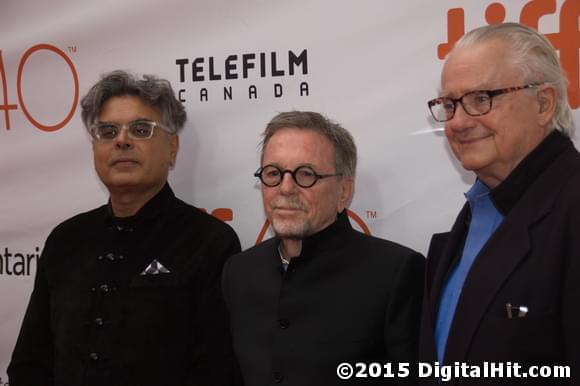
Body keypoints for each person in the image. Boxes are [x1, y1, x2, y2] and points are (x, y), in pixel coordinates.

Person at [8, 70, 241, 386]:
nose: (121, 140)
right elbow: (29, 363)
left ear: (172, 148)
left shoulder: (209, 242)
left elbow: (215, 372)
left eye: (141, 129)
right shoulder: (65, 240)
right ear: (94, 147)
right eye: (107, 131)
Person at [421, 22, 580, 385]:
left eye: (481, 99)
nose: (458, 122)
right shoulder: (479, 207)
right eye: (449, 104)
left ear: (544, 103)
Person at [222, 111, 425, 386]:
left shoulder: (395, 273)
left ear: (344, 191)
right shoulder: (239, 271)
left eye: (306, 174)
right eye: (273, 173)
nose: (286, 188)